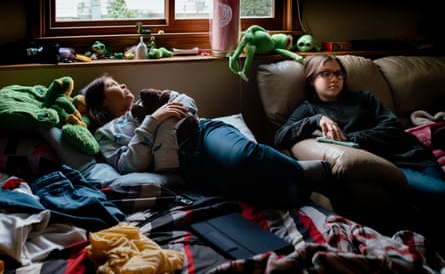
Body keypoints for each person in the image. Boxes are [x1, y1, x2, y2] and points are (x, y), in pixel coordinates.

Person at [80, 73, 332, 208]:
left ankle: (307, 171)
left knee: (243, 156)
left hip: (204, 134)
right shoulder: (105, 134)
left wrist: (159, 112)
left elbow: (186, 103)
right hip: (191, 167)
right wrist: (153, 121)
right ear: (101, 102)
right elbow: (128, 166)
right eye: (112, 84)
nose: (122, 84)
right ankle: (306, 184)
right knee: (270, 197)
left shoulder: (148, 101)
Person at [274, 54, 445, 248]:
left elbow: (392, 126)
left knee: (434, 207)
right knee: (440, 193)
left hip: (415, 153)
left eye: (339, 74)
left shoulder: (363, 98)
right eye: (326, 73)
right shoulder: (309, 109)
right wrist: (315, 120)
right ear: (312, 80)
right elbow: (281, 137)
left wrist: (352, 139)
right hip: (390, 164)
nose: (334, 78)